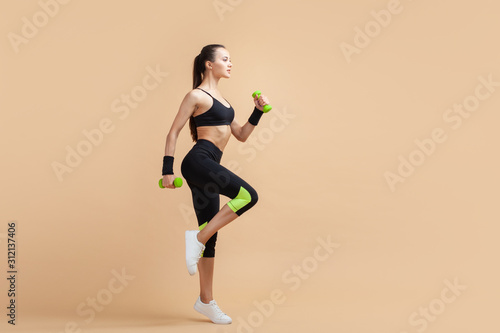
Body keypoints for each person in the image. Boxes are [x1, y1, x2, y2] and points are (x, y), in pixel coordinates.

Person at [161, 44, 270, 324]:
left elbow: (242, 135)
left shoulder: (225, 102)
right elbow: (173, 132)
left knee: (211, 237)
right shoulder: (196, 95)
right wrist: (167, 171)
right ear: (209, 64)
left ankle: (205, 301)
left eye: (230, 59)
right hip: (198, 161)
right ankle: (195, 238)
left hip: (211, 166)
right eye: (225, 59)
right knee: (249, 196)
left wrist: (257, 112)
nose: (230, 63)